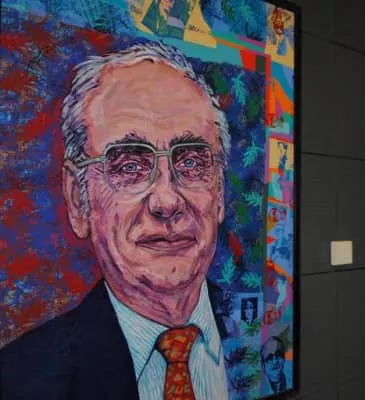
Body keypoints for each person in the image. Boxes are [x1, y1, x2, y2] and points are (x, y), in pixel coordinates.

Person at [0, 41, 232, 400]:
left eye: (191, 162)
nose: (167, 201)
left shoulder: (263, 328)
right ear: (78, 200)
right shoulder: (22, 380)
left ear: (219, 190)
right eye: (130, 167)